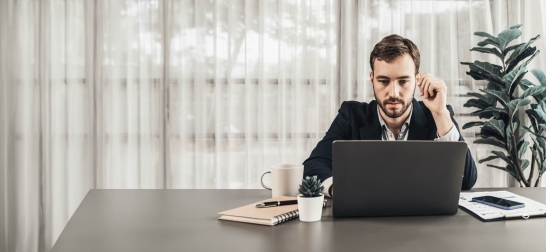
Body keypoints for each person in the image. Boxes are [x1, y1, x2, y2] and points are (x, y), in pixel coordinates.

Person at [303, 34, 477, 198]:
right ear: (372, 80)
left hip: (423, 223)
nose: (393, 93)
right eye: (384, 81)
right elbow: (313, 165)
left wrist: (440, 114)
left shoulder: (438, 115)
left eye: (403, 81)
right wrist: (339, 189)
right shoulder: (351, 115)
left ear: (418, 79)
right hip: (365, 223)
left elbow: (467, 181)